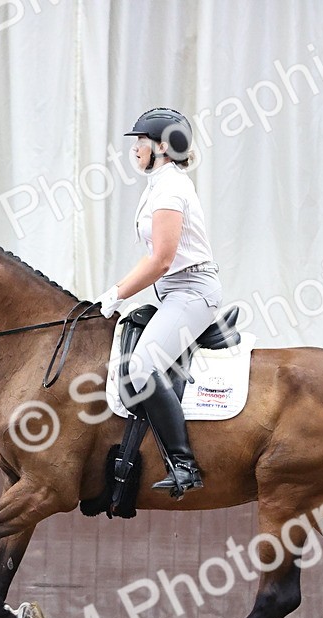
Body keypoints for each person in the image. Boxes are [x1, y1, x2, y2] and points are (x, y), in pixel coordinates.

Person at [95, 108, 222, 496]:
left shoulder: (170, 189)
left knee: (142, 366)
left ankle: (185, 467)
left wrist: (116, 294)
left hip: (191, 290)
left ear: (163, 147)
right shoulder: (160, 183)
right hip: (173, 292)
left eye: (141, 141)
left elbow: (162, 259)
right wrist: (117, 291)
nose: (135, 149)